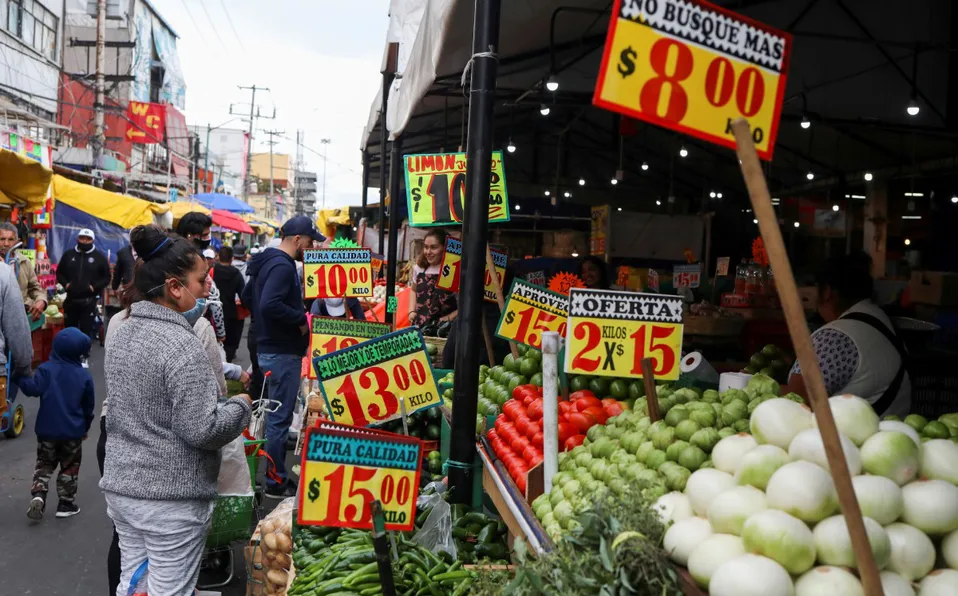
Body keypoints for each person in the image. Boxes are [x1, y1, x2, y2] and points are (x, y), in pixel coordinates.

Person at [101, 225, 252, 596]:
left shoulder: (122, 329)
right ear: (174, 287)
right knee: (169, 590)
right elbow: (202, 428)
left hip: (124, 490)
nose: (206, 289)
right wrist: (241, 407)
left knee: (133, 583)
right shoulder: (182, 345)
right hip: (170, 500)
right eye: (201, 280)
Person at [242, 215, 324, 499]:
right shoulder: (281, 265)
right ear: (297, 239)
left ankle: (270, 474)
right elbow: (269, 303)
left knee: (271, 416)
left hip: (268, 346)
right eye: (310, 241)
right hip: (281, 351)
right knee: (279, 419)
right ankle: (275, 482)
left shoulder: (265, 261)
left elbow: (248, 296)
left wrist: (266, 326)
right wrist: (300, 319)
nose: (311, 246)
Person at [784, 252, 911, 417]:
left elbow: (795, 404)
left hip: (852, 438)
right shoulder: (880, 318)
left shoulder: (833, 338)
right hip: (892, 427)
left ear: (827, 292)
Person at [17, 327, 94, 520]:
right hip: (72, 432)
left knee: (44, 464)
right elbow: (88, 406)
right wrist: (85, 427)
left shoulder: (46, 369)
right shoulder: (84, 376)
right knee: (69, 467)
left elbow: (32, 389)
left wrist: (18, 378)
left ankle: (39, 495)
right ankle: (65, 504)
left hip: (47, 431)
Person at [176, 212, 226, 342]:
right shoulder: (182, 258)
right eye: (204, 235)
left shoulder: (195, 256)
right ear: (189, 235)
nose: (207, 238)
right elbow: (214, 301)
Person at [55, 228, 110, 337]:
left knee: (86, 330)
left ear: (93, 240)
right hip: (71, 299)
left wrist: (94, 287)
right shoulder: (69, 255)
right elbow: (59, 273)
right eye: (82, 238)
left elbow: (106, 277)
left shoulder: (99, 257)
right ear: (77, 239)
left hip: (89, 301)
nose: (84, 241)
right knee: (70, 330)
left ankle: (84, 352)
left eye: (88, 239)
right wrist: (66, 284)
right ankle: (70, 352)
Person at [408, 229, 457, 329]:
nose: (428, 252)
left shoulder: (455, 270)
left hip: (445, 328)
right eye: (426, 247)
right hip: (420, 327)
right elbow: (413, 290)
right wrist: (411, 311)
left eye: (434, 247)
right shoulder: (419, 268)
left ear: (445, 248)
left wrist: (450, 317)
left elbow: (465, 303)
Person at [0, 222, 47, 319]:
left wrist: (41, 300)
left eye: (11, 239)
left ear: (17, 242)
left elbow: (35, 288)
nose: (6, 243)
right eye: (2, 239)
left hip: (20, 316)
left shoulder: (24, 262)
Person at [213, 246, 246, 362]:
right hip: (231, 312)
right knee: (230, 342)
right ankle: (227, 365)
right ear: (231, 259)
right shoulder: (236, 274)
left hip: (213, 311)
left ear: (218, 257)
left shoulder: (213, 271)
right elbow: (244, 295)